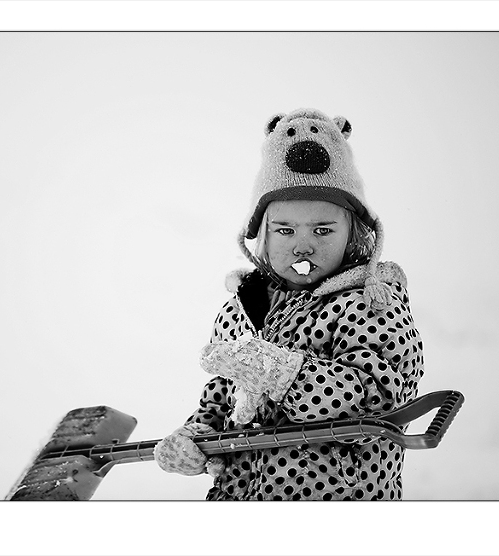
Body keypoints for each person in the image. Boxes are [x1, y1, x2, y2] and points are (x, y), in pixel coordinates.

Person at [153, 108, 424, 501]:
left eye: (322, 230)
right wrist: (199, 435)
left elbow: (379, 396)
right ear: (262, 235)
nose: (303, 246)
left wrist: (283, 373)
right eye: (285, 230)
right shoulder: (241, 310)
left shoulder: (368, 304)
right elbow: (222, 396)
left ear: (354, 235)